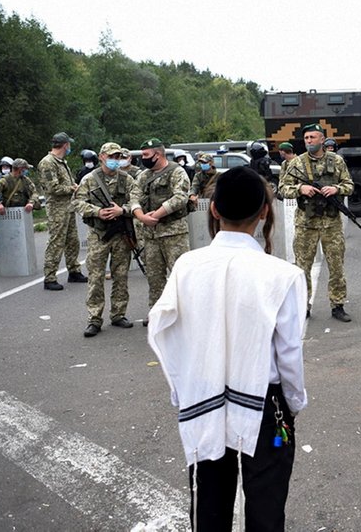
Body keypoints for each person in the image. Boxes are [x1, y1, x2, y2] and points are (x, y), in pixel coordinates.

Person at [147, 166, 307, 532]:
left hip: (202, 397)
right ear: (265, 211)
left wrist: (181, 390)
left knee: (209, 508)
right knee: (266, 509)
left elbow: (164, 332)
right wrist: (294, 403)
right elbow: (289, 355)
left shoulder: (186, 265)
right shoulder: (283, 274)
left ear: (214, 209)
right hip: (266, 405)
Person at [277, 123, 354, 322]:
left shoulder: (336, 161)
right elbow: (283, 189)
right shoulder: (296, 163)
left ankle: (337, 305)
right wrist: (300, 189)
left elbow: (350, 185)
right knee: (303, 267)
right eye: (306, 138)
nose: (309, 141)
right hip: (306, 223)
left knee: (336, 266)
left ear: (322, 139)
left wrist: (336, 189)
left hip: (331, 223)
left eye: (313, 137)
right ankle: (304, 306)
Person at [73, 142, 143, 337]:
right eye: (111, 156)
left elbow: (137, 201)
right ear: (102, 157)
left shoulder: (127, 179)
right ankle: (94, 319)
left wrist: (123, 210)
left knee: (121, 275)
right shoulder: (89, 179)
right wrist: (98, 212)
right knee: (95, 277)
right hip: (99, 234)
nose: (115, 160)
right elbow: (77, 202)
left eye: (118, 157)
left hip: (121, 234)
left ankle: (118, 314)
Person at [135, 138, 191, 326]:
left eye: (146, 155)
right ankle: (156, 312)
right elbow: (134, 197)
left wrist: (156, 215)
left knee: (179, 276)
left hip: (174, 233)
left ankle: (184, 315)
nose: (143, 158)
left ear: (157, 154)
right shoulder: (143, 176)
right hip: (150, 236)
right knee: (154, 276)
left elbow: (180, 197)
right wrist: (142, 216)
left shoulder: (177, 172)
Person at [37, 132, 87, 290]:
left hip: (68, 206)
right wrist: (71, 188)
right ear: (65, 145)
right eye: (69, 144)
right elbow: (52, 188)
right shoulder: (48, 162)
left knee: (72, 241)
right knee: (56, 242)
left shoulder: (60, 162)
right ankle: (50, 277)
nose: (70, 147)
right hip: (57, 208)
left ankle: (74, 270)